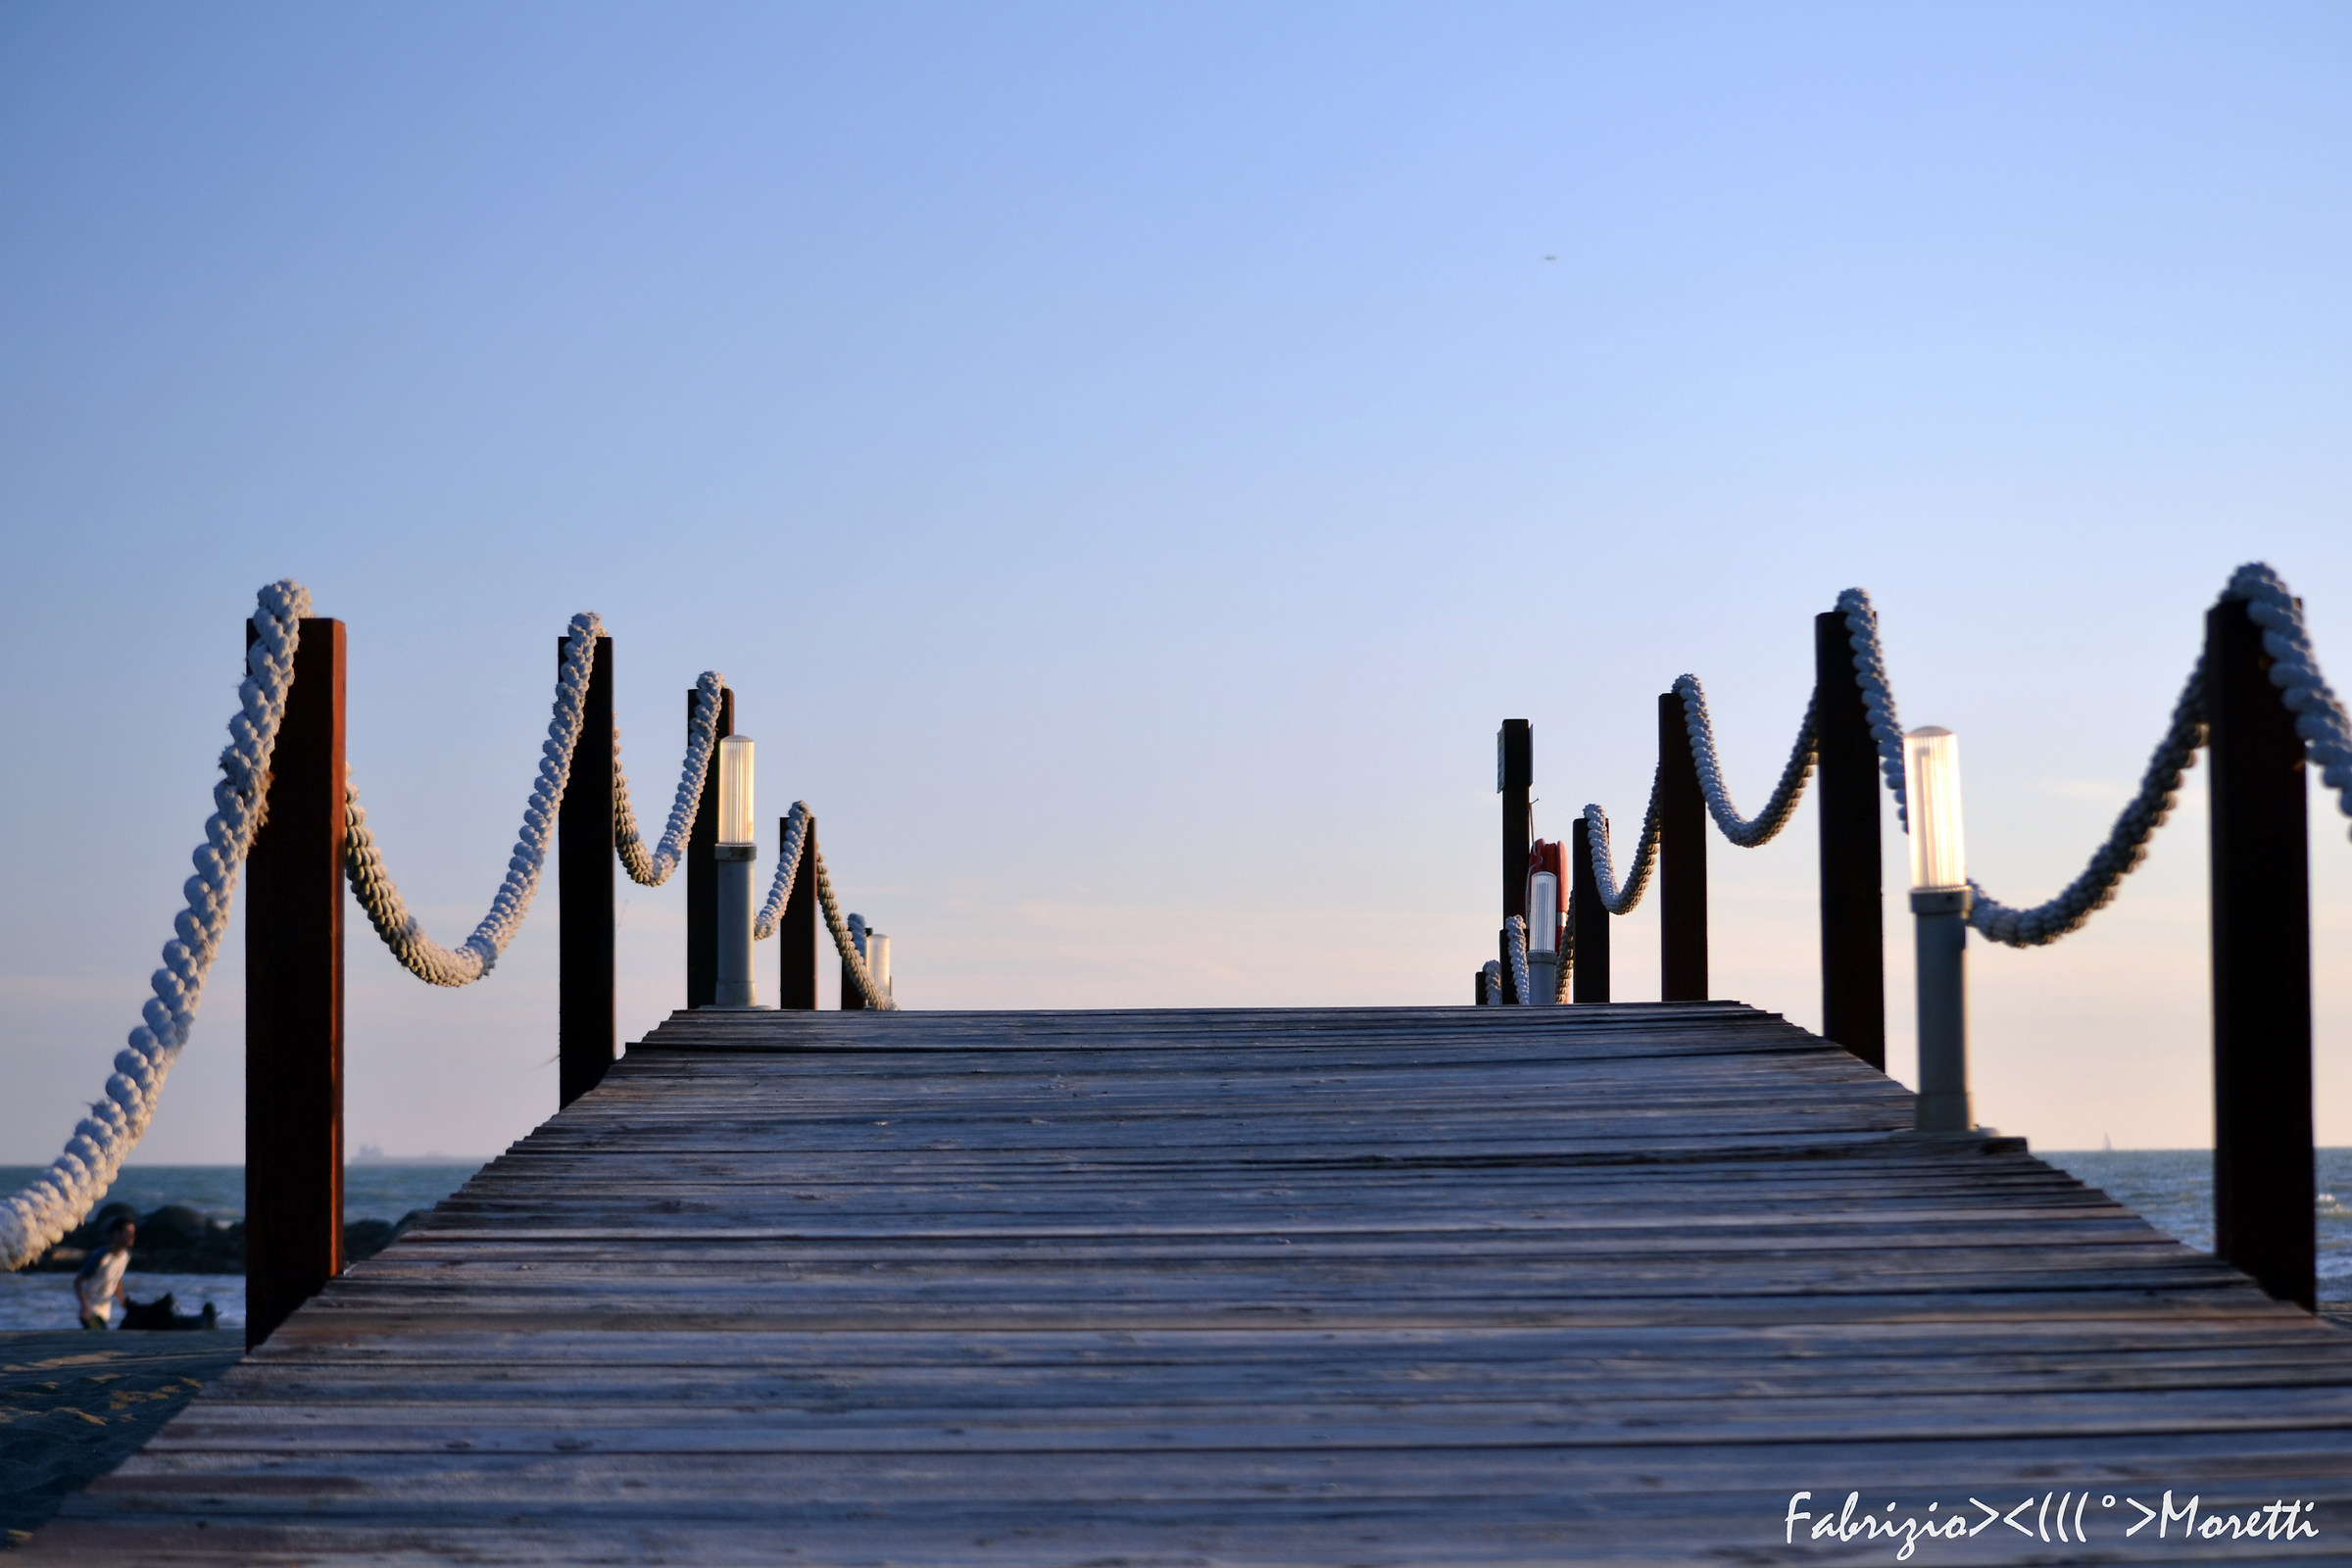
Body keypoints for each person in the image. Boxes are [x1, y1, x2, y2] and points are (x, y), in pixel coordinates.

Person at [74, 1215, 134, 1330]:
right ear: (116, 1234)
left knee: (102, 1341)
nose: (132, 1236)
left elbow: (116, 1279)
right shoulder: (102, 1255)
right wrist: (84, 1306)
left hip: (105, 1311)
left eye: (133, 1233)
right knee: (100, 1339)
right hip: (91, 1312)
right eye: (128, 1232)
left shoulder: (125, 1256)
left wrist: (122, 1300)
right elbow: (78, 1281)